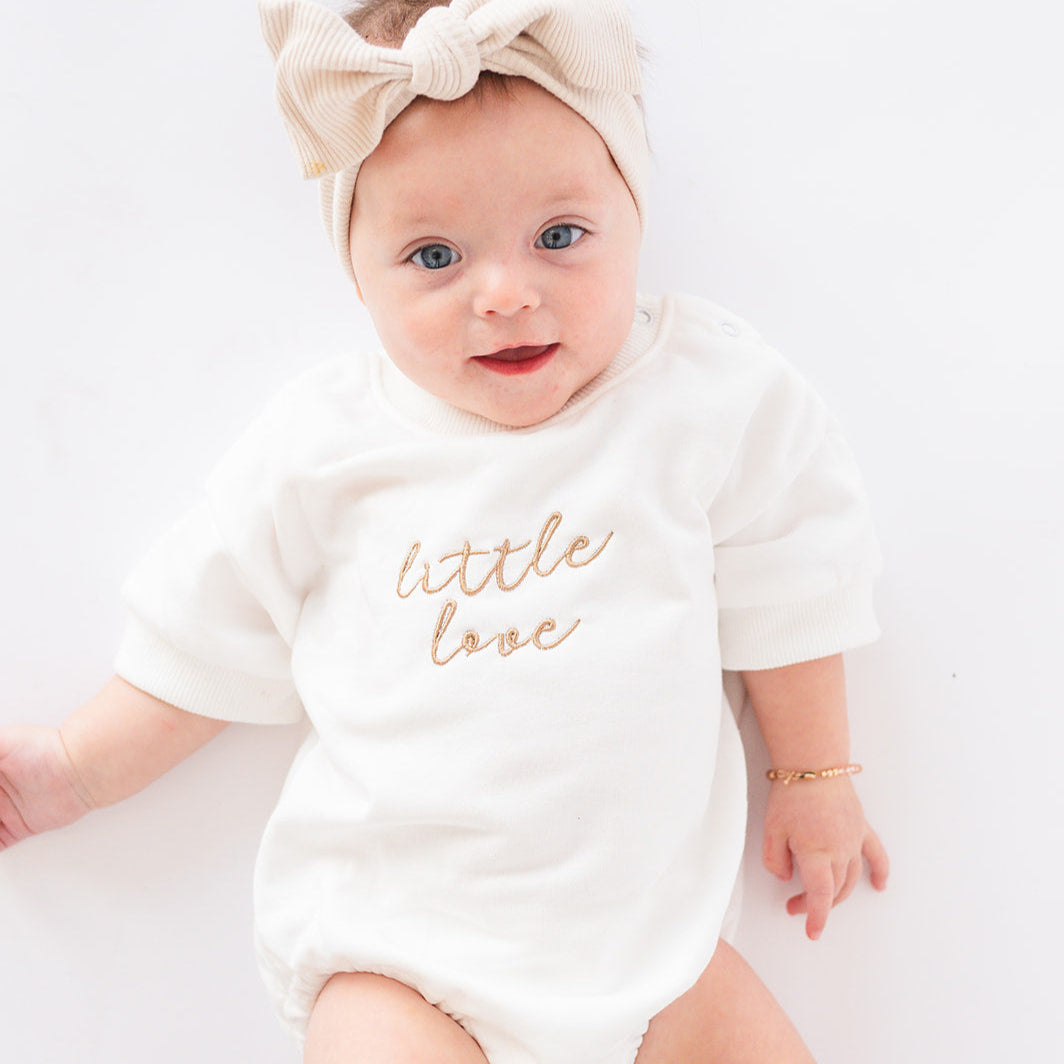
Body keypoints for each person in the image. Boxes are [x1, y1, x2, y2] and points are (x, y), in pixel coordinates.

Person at [0, 1, 890, 1061]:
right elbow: (208, 631)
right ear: (357, 268)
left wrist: (814, 774)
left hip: (661, 963)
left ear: (634, 212)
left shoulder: (700, 396)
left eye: (559, 237)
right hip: (400, 954)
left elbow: (790, 586)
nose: (505, 295)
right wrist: (76, 767)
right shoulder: (326, 446)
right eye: (433, 256)